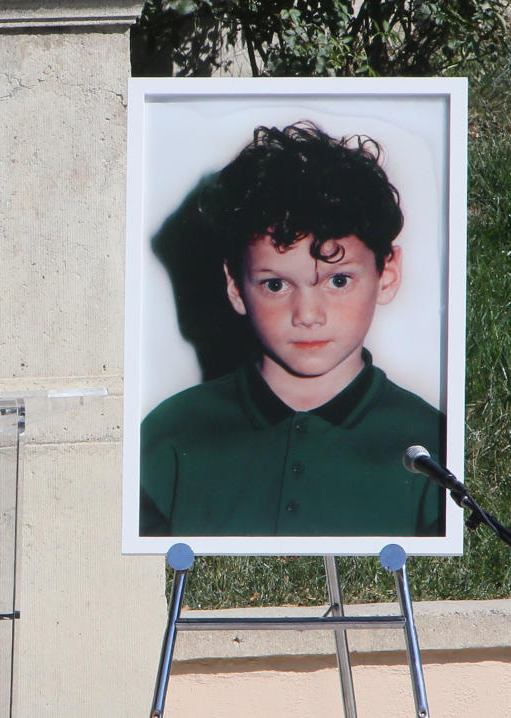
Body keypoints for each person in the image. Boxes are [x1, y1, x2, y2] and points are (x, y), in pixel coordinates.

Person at [140, 122, 445, 538]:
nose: (308, 315)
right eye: (276, 284)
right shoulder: (167, 437)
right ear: (235, 286)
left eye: (338, 281)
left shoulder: (433, 447)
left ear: (387, 274)